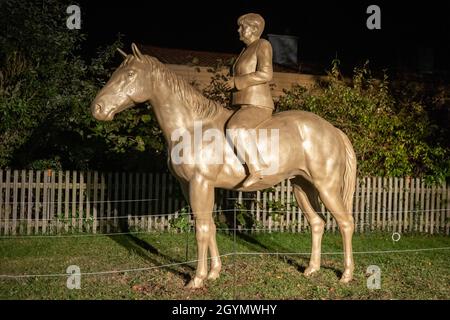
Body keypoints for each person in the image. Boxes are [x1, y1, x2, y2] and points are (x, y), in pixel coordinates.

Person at [224, 13, 274, 188]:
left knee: (235, 128)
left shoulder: (262, 45)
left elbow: (266, 74)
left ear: (253, 29)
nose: (239, 30)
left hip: (257, 104)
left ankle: (256, 169)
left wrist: (237, 82)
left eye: (242, 26)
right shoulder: (245, 50)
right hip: (241, 104)